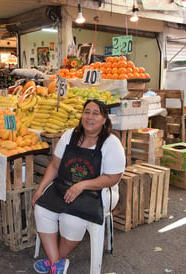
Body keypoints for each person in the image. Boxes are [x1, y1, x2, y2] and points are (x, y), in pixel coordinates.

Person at [32, 99, 125, 274]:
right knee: (41, 209)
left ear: (104, 119)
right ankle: (56, 263)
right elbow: (54, 165)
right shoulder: (70, 135)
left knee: (71, 220)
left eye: (95, 113)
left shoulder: (111, 143)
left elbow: (113, 177)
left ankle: (55, 261)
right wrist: (40, 189)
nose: (90, 117)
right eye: (87, 112)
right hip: (64, 187)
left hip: (96, 193)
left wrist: (83, 185)